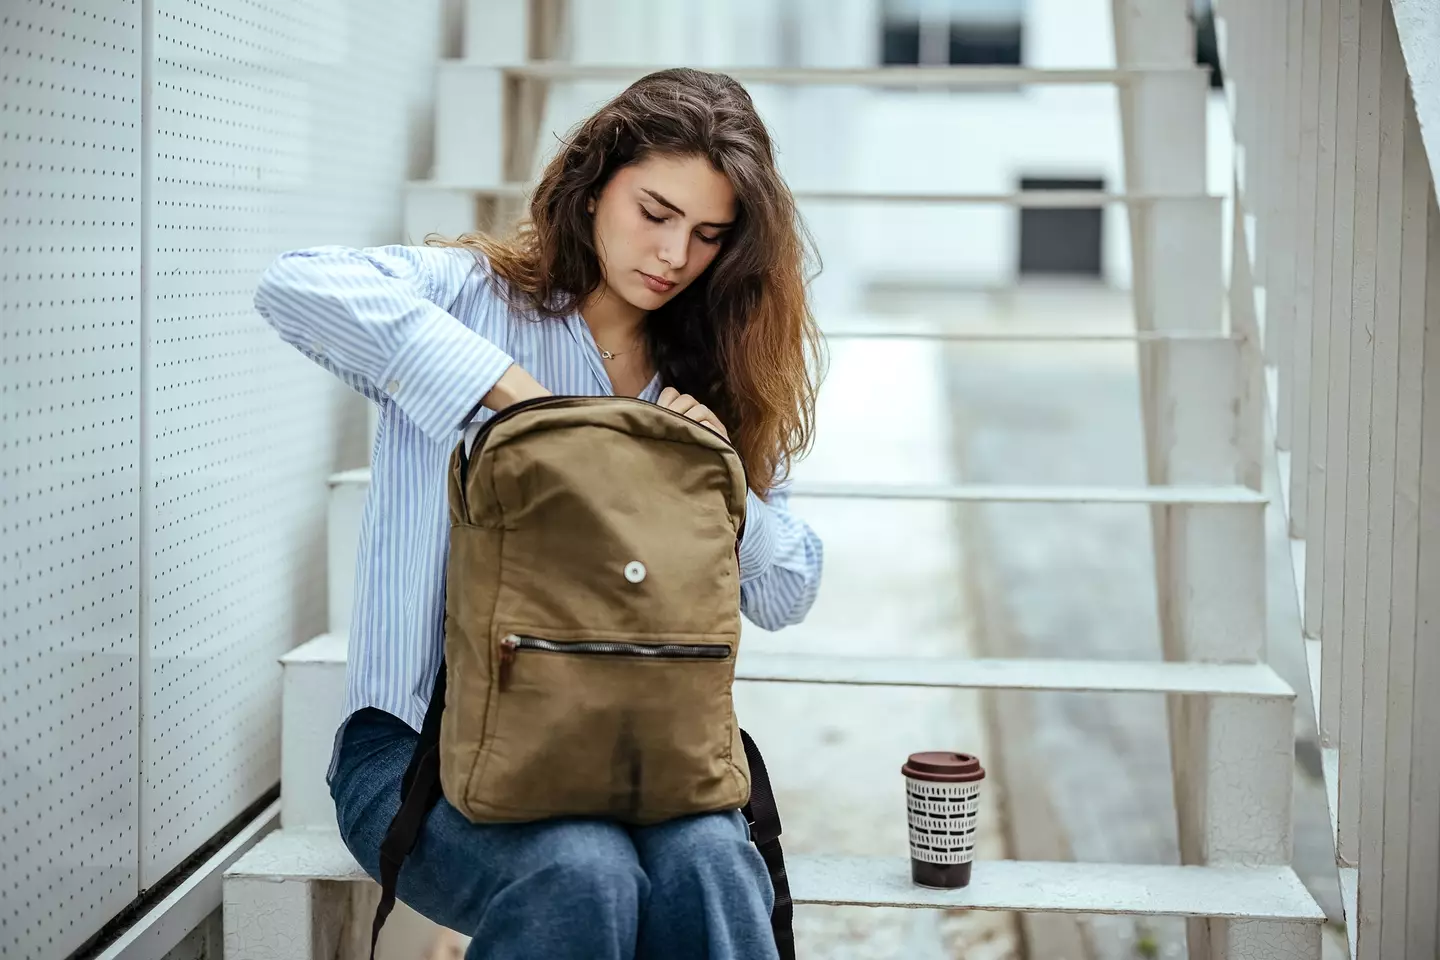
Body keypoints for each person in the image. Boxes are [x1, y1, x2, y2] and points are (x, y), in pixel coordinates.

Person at [253, 68, 826, 959]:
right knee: (580, 869)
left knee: (714, 862)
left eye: (709, 235)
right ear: (594, 186)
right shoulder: (470, 299)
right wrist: (520, 404)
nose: (675, 255)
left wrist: (721, 482)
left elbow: (790, 590)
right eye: (655, 211)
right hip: (418, 753)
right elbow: (294, 284)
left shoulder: (713, 376)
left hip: (646, 761)